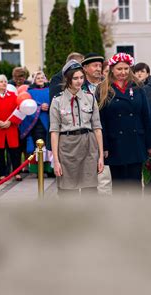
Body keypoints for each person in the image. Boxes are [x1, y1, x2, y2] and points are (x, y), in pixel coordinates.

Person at [97, 53, 151, 192]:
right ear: (112, 69)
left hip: (136, 141)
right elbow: (101, 120)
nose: (123, 72)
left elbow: (145, 116)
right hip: (115, 142)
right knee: (118, 185)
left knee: (135, 183)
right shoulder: (104, 89)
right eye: (119, 69)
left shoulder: (138, 87)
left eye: (126, 68)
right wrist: (103, 146)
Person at [49, 60, 104, 196]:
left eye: (81, 77)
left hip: (88, 145)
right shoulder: (57, 100)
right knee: (67, 191)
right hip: (67, 147)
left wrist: (100, 156)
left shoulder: (90, 98)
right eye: (75, 78)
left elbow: (97, 128)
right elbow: (54, 132)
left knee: (90, 190)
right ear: (67, 79)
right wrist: (56, 160)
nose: (79, 81)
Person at [81, 53, 112, 196]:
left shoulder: (108, 87)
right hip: (85, 136)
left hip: (105, 134)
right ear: (85, 68)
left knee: (105, 178)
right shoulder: (79, 87)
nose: (98, 69)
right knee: (87, 178)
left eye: (100, 66)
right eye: (95, 66)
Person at [0, 74, 22, 181]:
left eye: (5, 82)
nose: (4, 83)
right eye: (1, 82)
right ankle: (2, 174)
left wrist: (11, 121)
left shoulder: (13, 95)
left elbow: (19, 109)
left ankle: (17, 172)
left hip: (11, 128)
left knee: (14, 152)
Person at [20, 71, 54, 176]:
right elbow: (28, 106)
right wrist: (39, 107)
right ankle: (39, 170)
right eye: (38, 78)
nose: (40, 79)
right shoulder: (30, 92)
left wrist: (49, 106)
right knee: (40, 146)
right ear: (34, 80)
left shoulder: (50, 90)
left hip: (49, 121)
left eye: (42, 77)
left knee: (50, 146)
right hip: (37, 123)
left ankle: (50, 169)